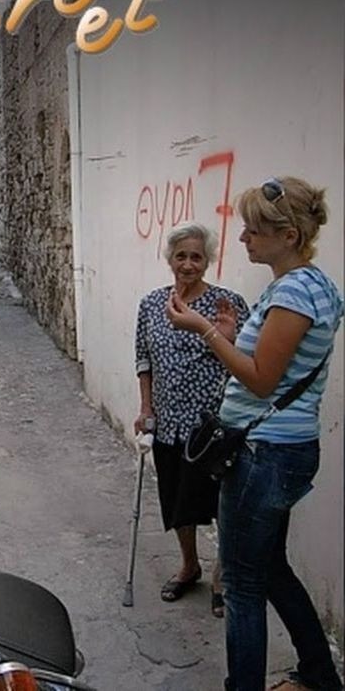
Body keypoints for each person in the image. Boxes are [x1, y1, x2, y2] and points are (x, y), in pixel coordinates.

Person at [166, 178, 344, 691]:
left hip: (264, 453)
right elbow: (277, 366)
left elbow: (262, 379)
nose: (242, 237)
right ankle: (318, 673)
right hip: (281, 449)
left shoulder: (294, 292)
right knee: (270, 568)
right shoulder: (315, 285)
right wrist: (230, 335)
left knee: (243, 585)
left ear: (289, 236)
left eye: (254, 230)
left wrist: (204, 331)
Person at [134, 222, 248, 616]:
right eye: (181, 256)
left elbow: (246, 360)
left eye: (196, 257)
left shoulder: (226, 304)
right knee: (178, 501)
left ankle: (221, 576)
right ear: (170, 259)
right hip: (168, 424)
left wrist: (227, 338)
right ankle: (189, 565)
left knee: (220, 504)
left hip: (212, 426)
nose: (188, 264)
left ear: (208, 260)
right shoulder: (152, 304)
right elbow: (144, 360)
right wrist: (146, 408)